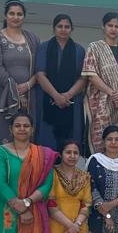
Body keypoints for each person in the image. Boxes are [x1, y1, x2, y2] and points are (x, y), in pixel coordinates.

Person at [0, 0, 41, 146]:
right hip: (1, 95)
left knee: (25, 136)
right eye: (12, 13)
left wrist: (28, 85)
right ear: (5, 16)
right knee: (1, 137)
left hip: (29, 96)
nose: (15, 17)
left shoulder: (32, 39)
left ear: (24, 17)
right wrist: (15, 92)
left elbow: (39, 68)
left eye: (19, 14)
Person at [82, 11, 118, 154]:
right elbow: (90, 74)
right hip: (102, 102)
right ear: (103, 27)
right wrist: (112, 93)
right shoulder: (94, 47)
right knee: (103, 143)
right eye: (110, 25)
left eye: (116, 26)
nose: (113, 29)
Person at [35, 13, 87, 153]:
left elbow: (83, 78)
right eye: (60, 26)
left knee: (70, 144)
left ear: (71, 29)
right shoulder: (44, 48)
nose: (63, 29)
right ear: (54, 28)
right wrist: (56, 96)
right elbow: (40, 74)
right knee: (46, 145)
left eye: (67, 27)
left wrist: (67, 95)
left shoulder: (79, 50)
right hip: (47, 101)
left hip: (72, 103)